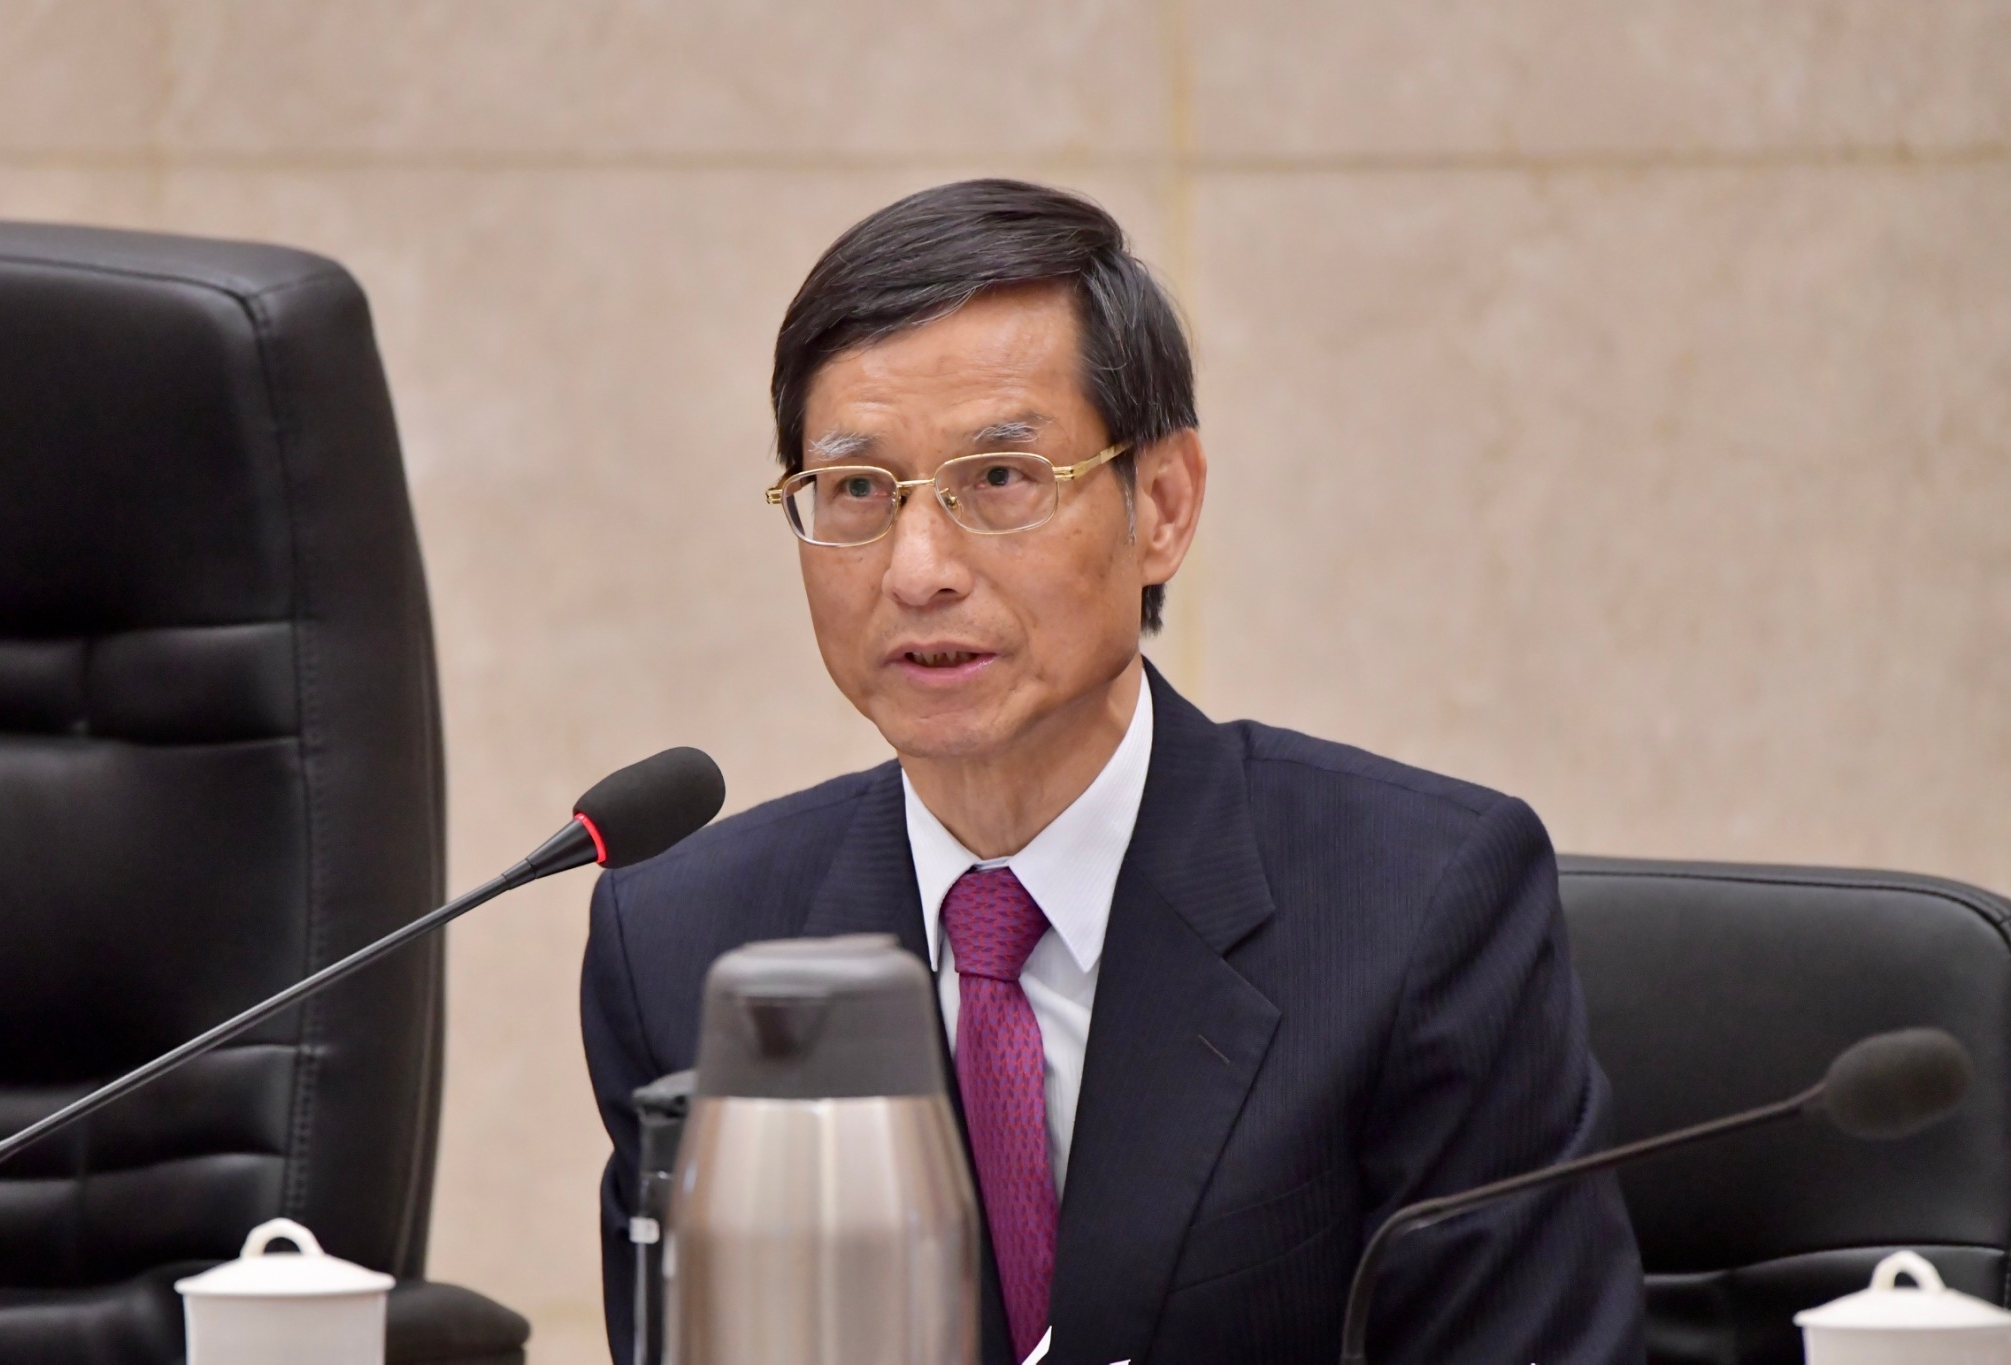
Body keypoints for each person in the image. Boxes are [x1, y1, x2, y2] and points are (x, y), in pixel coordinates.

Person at [581, 178, 1645, 1365]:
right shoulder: (683, 947)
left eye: (999, 479)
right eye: (857, 491)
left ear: (1164, 508)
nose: (917, 569)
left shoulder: (1412, 905)